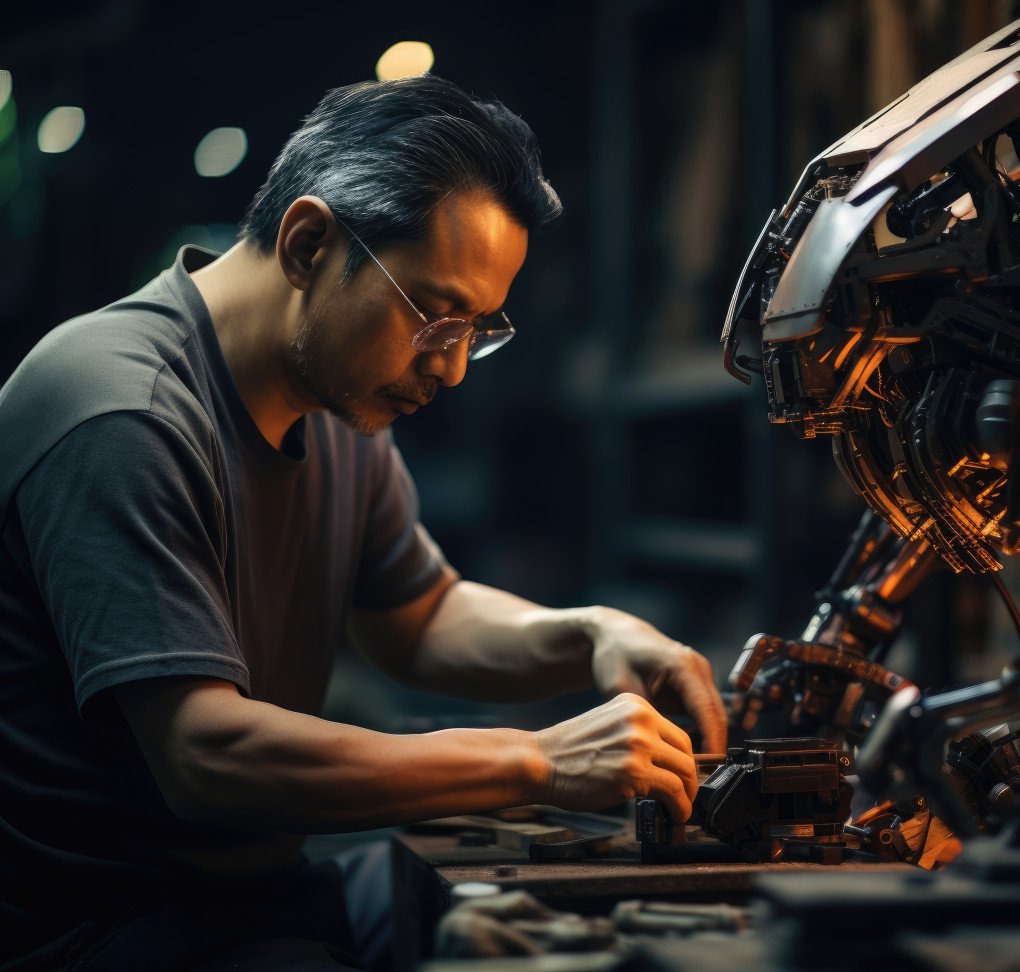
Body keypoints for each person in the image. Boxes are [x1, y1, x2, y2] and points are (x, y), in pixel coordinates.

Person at [0, 74, 726, 971]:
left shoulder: (332, 401)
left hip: (258, 889)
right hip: (102, 927)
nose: (453, 368)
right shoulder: (119, 409)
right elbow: (204, 753)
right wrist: (535, 761)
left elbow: (418, 616)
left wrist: (589, 636)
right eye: (436, 314)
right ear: (309, 244)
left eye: (478, 329)